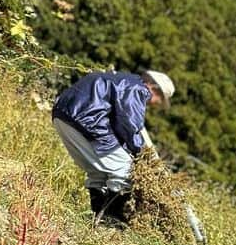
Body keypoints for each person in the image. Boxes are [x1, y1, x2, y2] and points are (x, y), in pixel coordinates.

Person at [51, 70, 175, 224]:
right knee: (126, 170)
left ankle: (98, 215)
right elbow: (128, 125)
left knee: (98, 171)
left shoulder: (123, 80)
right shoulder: (137, 89)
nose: (155, 104)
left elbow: (118, 121)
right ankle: (111, 220)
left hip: (63, 114)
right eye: (159, 100)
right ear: (154, 90)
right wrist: (142, 154)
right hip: (86, 120)